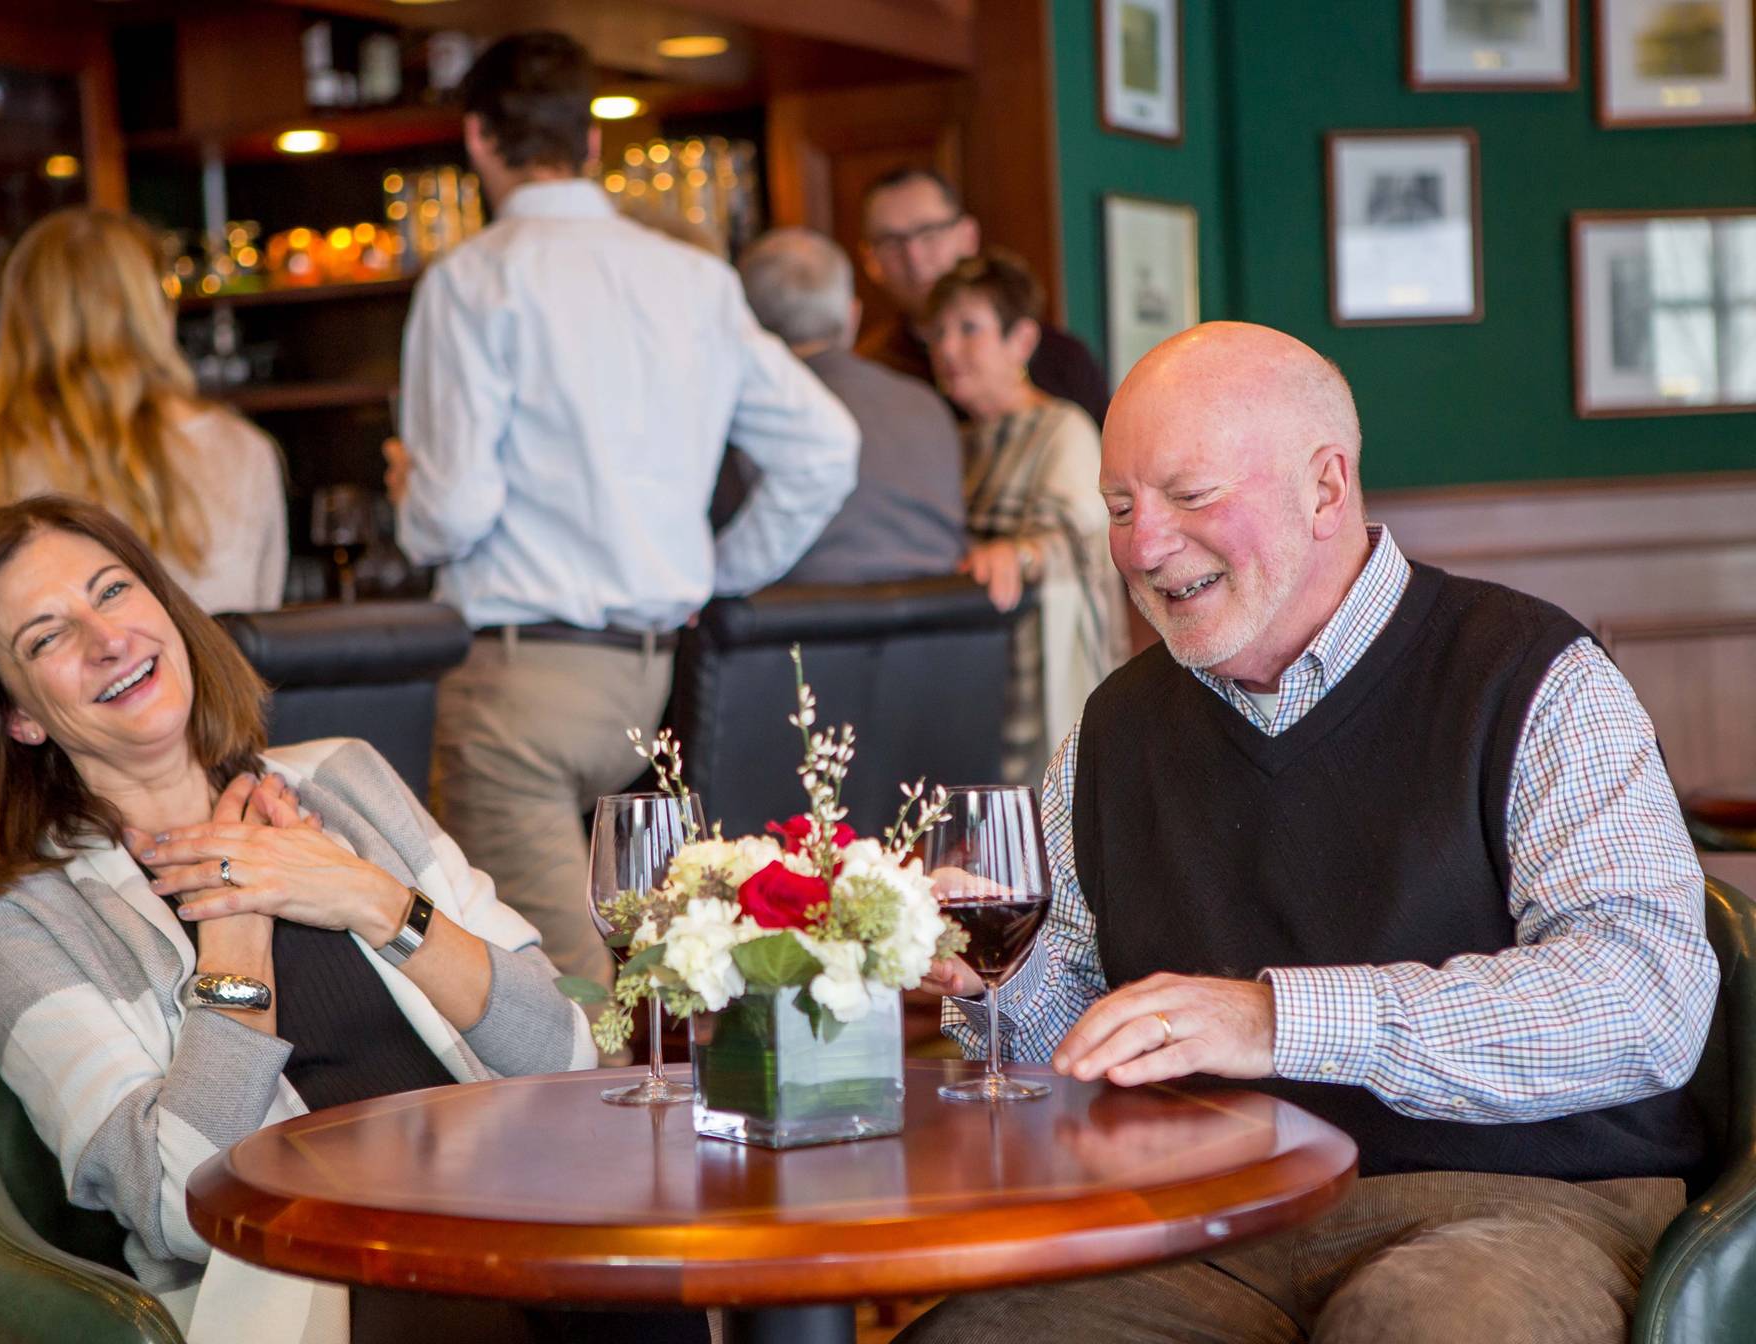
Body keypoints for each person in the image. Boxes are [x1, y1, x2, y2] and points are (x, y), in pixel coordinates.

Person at [908, 323, 1718, 1343]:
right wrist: (997, 985)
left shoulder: (1531, 677)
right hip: (1206, 1221)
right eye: (1119, 507)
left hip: (1523, 1203)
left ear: (1327, 488)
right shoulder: (1113, 730)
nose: (1143, 545)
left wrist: (1275, 1019)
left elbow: (1646, 1003)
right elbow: (1068, 1059)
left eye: (1190, 496)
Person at [0, 496, 615, 1344]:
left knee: (651, 1283)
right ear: (18, 715)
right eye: (47, 638)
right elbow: (179, 1207)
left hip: (511, 1211)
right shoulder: (21, 916)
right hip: (321, 1290)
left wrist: (369, 898)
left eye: (114, 591)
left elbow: (566, 1055)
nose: (107, 639)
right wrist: (235, 929)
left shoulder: (344, 782)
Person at [393, 32, 858, 994]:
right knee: (650, 983)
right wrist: (711, 568)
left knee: (547, 993)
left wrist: (411, 496)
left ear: (478, 139)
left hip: (518, 687)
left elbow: (456, 509)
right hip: (648, 692)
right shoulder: (692, 278)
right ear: (594, 145)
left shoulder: (472, 280)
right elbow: (825, 448)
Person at [0, 208, 286, 615]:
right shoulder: (243, 451)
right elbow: (258, 636)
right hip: (208, 680)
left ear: (18, 322)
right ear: (155, 310)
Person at [923, 250, 1120, 786]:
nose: (947, 349)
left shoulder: (1062, 427)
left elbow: (1085, 529)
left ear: (1022, 341)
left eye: (969, 329)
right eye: (937, 332)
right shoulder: (952, 439)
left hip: (1042, 679)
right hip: (965, 677)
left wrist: (1019, 552)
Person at [735, 227, 966, 586]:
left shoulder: (743, 416)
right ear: (852, 315)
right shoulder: (927, 404)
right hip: (949, 632)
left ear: (745, 322)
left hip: (791, 633)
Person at [856, 167, 1108, 424]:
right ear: (869, 259)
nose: (914, 257)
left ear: (968, 235)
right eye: (891, 242)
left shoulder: (1064, 361)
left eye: (929, 233)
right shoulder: (868, 371)